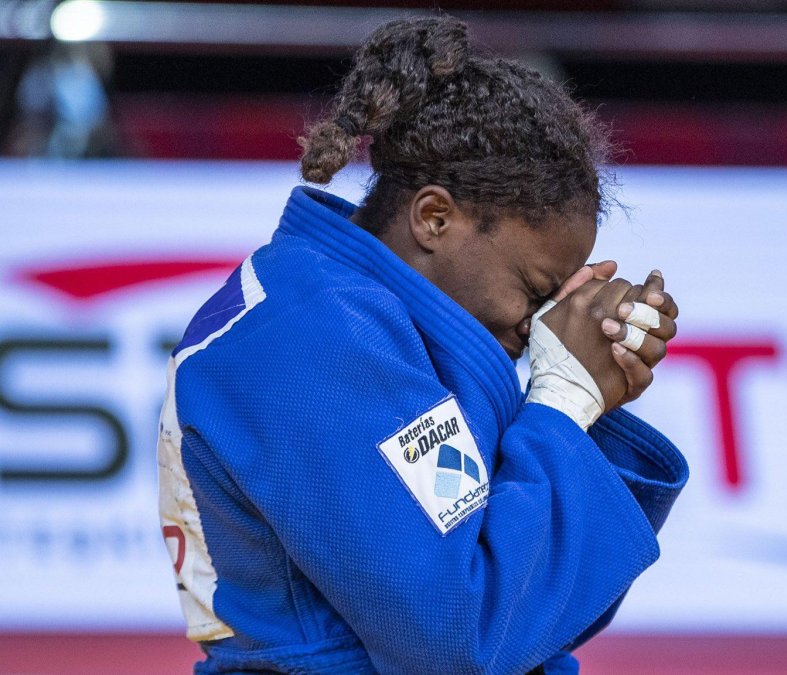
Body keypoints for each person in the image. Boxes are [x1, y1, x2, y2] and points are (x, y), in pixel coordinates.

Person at [156, 15, 688, 675]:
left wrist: (583, 404)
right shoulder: (317, 337)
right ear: (434, 217)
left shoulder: (364, 319)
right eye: (534, 288)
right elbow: (454, 645)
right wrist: (558, 406)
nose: (539, 323)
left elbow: (531, 617)